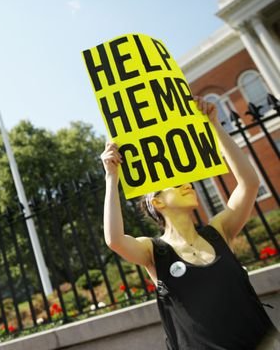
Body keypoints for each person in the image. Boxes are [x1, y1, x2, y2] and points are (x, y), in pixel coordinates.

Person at [101, 96, 279, 349]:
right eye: (175, 184)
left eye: (187, 181)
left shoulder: (218, 232)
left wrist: (214, 124)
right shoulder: (154, 251)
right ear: (157, 203)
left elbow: (249, 183)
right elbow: (114, 240)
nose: (187, 183)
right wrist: (111, 177)